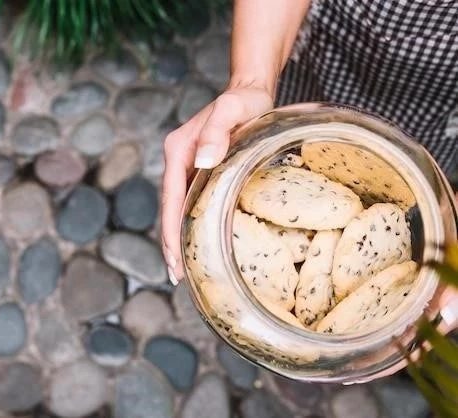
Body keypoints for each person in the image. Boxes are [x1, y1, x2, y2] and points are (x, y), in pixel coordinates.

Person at [161, 0, 458, 376]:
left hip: (444, 118)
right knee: (296, 133)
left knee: (429, 195)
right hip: (333, 57)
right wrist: (252, 80)